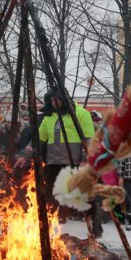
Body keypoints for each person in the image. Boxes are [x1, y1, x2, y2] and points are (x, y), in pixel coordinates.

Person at [37, 90, 94, 222]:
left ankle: (67, 213)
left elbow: (89, 139)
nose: (53, 103)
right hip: (53, 159)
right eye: (51, 101)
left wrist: (85, 159)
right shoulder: (49, 116)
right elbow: (39, 138)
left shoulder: (81, 114)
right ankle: (53, 212)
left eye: (55, 100)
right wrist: (26, 154)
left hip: (72, 158)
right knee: (51, 186)